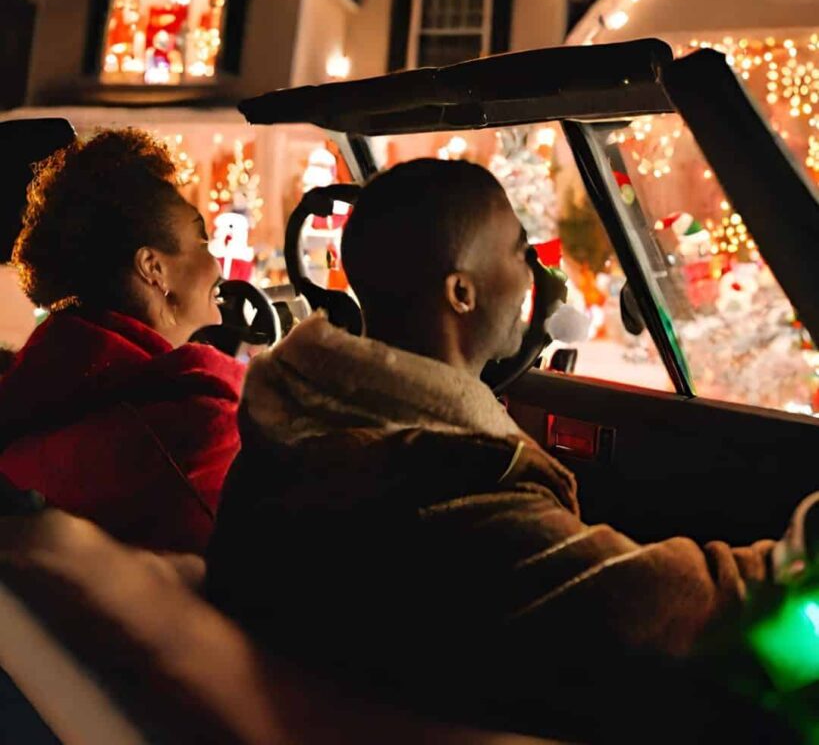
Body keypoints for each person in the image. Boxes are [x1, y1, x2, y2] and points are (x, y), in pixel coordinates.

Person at [206, 159, 779, 741]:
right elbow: (667, 605)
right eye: (518, 252)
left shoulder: (286, 438)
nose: (534, 275)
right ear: (461, 292)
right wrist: (791, 561)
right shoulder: (446, 486)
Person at [0, 128, 242, 554]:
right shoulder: (198, 426)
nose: (216, 264)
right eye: (201, 242)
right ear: (154, 268)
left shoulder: (37, 385)